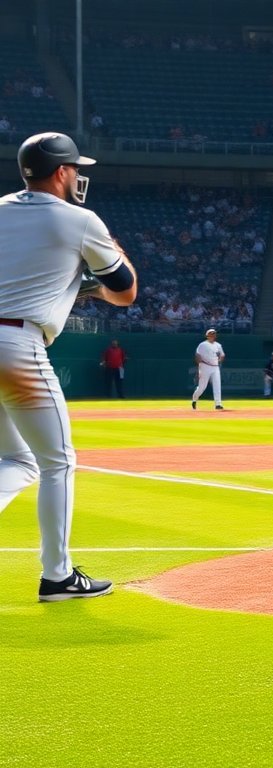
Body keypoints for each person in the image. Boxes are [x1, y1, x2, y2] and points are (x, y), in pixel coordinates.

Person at [0, 131, 137, 601]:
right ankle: (57, 576)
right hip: (17, 344)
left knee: (15, 460)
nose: (78, 175)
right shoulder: (80, 219)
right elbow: (125, 291)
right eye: (75, 167)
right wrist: (92, 280)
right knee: (57, 461)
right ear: (61, 172)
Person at [191, 328, 225, 410]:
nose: (213, 335)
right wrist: (199, 368)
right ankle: (194, 399)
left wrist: (220, 360)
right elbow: (198, 355)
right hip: (205, 366)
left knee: (217, 385)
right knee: (202, 387)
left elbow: (222, 355)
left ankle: (218, 404)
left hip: (215, 367)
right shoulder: (202, 345)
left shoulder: (218, 345)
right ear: (207, 336)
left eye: (214, 334)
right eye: (211, 334)